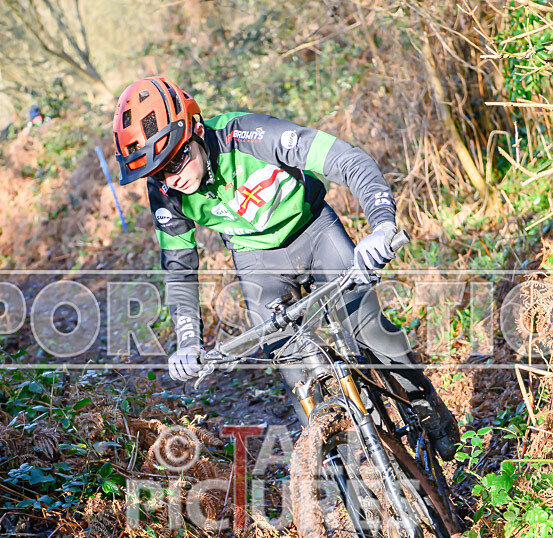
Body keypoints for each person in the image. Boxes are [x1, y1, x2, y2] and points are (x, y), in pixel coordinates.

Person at [113, 76, 459, 459]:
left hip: (313, 229)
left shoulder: (247, 135)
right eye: (157, 171)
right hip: (259, 263)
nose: (171, 177)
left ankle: (425, 403)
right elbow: (179, 266)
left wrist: (381, 226)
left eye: (177, 158)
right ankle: (344, 474)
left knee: (372, 333)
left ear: (196, 129)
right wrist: (188, 339)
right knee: (298, 378)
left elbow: (346, 159)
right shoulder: (166, 191)